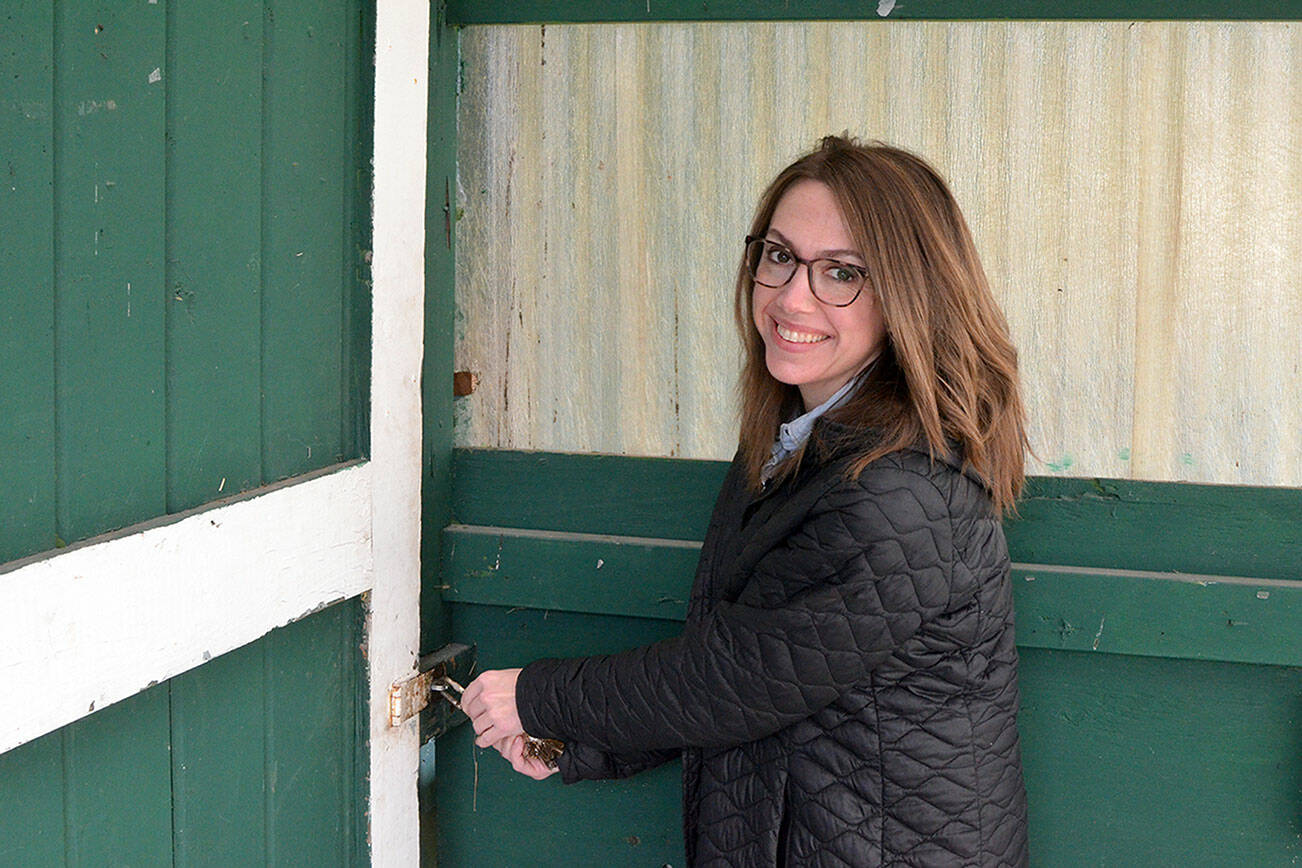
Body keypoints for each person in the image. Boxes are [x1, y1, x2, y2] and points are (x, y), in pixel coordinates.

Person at [461, 135, 1030, 866]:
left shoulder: (896, 493)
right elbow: (757, 679)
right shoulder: (794, 443)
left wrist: (539, 700)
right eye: (780, 255)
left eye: (842, 273)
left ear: (909, 296)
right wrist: (580, 749)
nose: (793, 296)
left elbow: (732, 682)